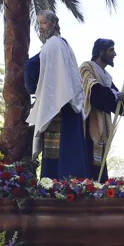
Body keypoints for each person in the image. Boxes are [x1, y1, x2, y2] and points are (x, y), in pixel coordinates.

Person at [26, 10, 88, 179]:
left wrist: (31, 85)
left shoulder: (53, 44)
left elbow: (32, 67)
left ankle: (57, 187)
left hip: (60, 107)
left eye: (43, 23)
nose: (40, 28)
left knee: (59, 156)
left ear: (53, 23)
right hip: (67, 106)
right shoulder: (64, 44)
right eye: (38, 24)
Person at [80, 38, 124, 179]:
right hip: (88, 124)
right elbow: (94, 93)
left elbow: (116, 104)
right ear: (100, 51)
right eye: (111, 50)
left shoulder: (106, 76)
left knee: (99, 171)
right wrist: (114, 95)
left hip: (103, 129)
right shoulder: (86, 67)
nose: (115, 54)